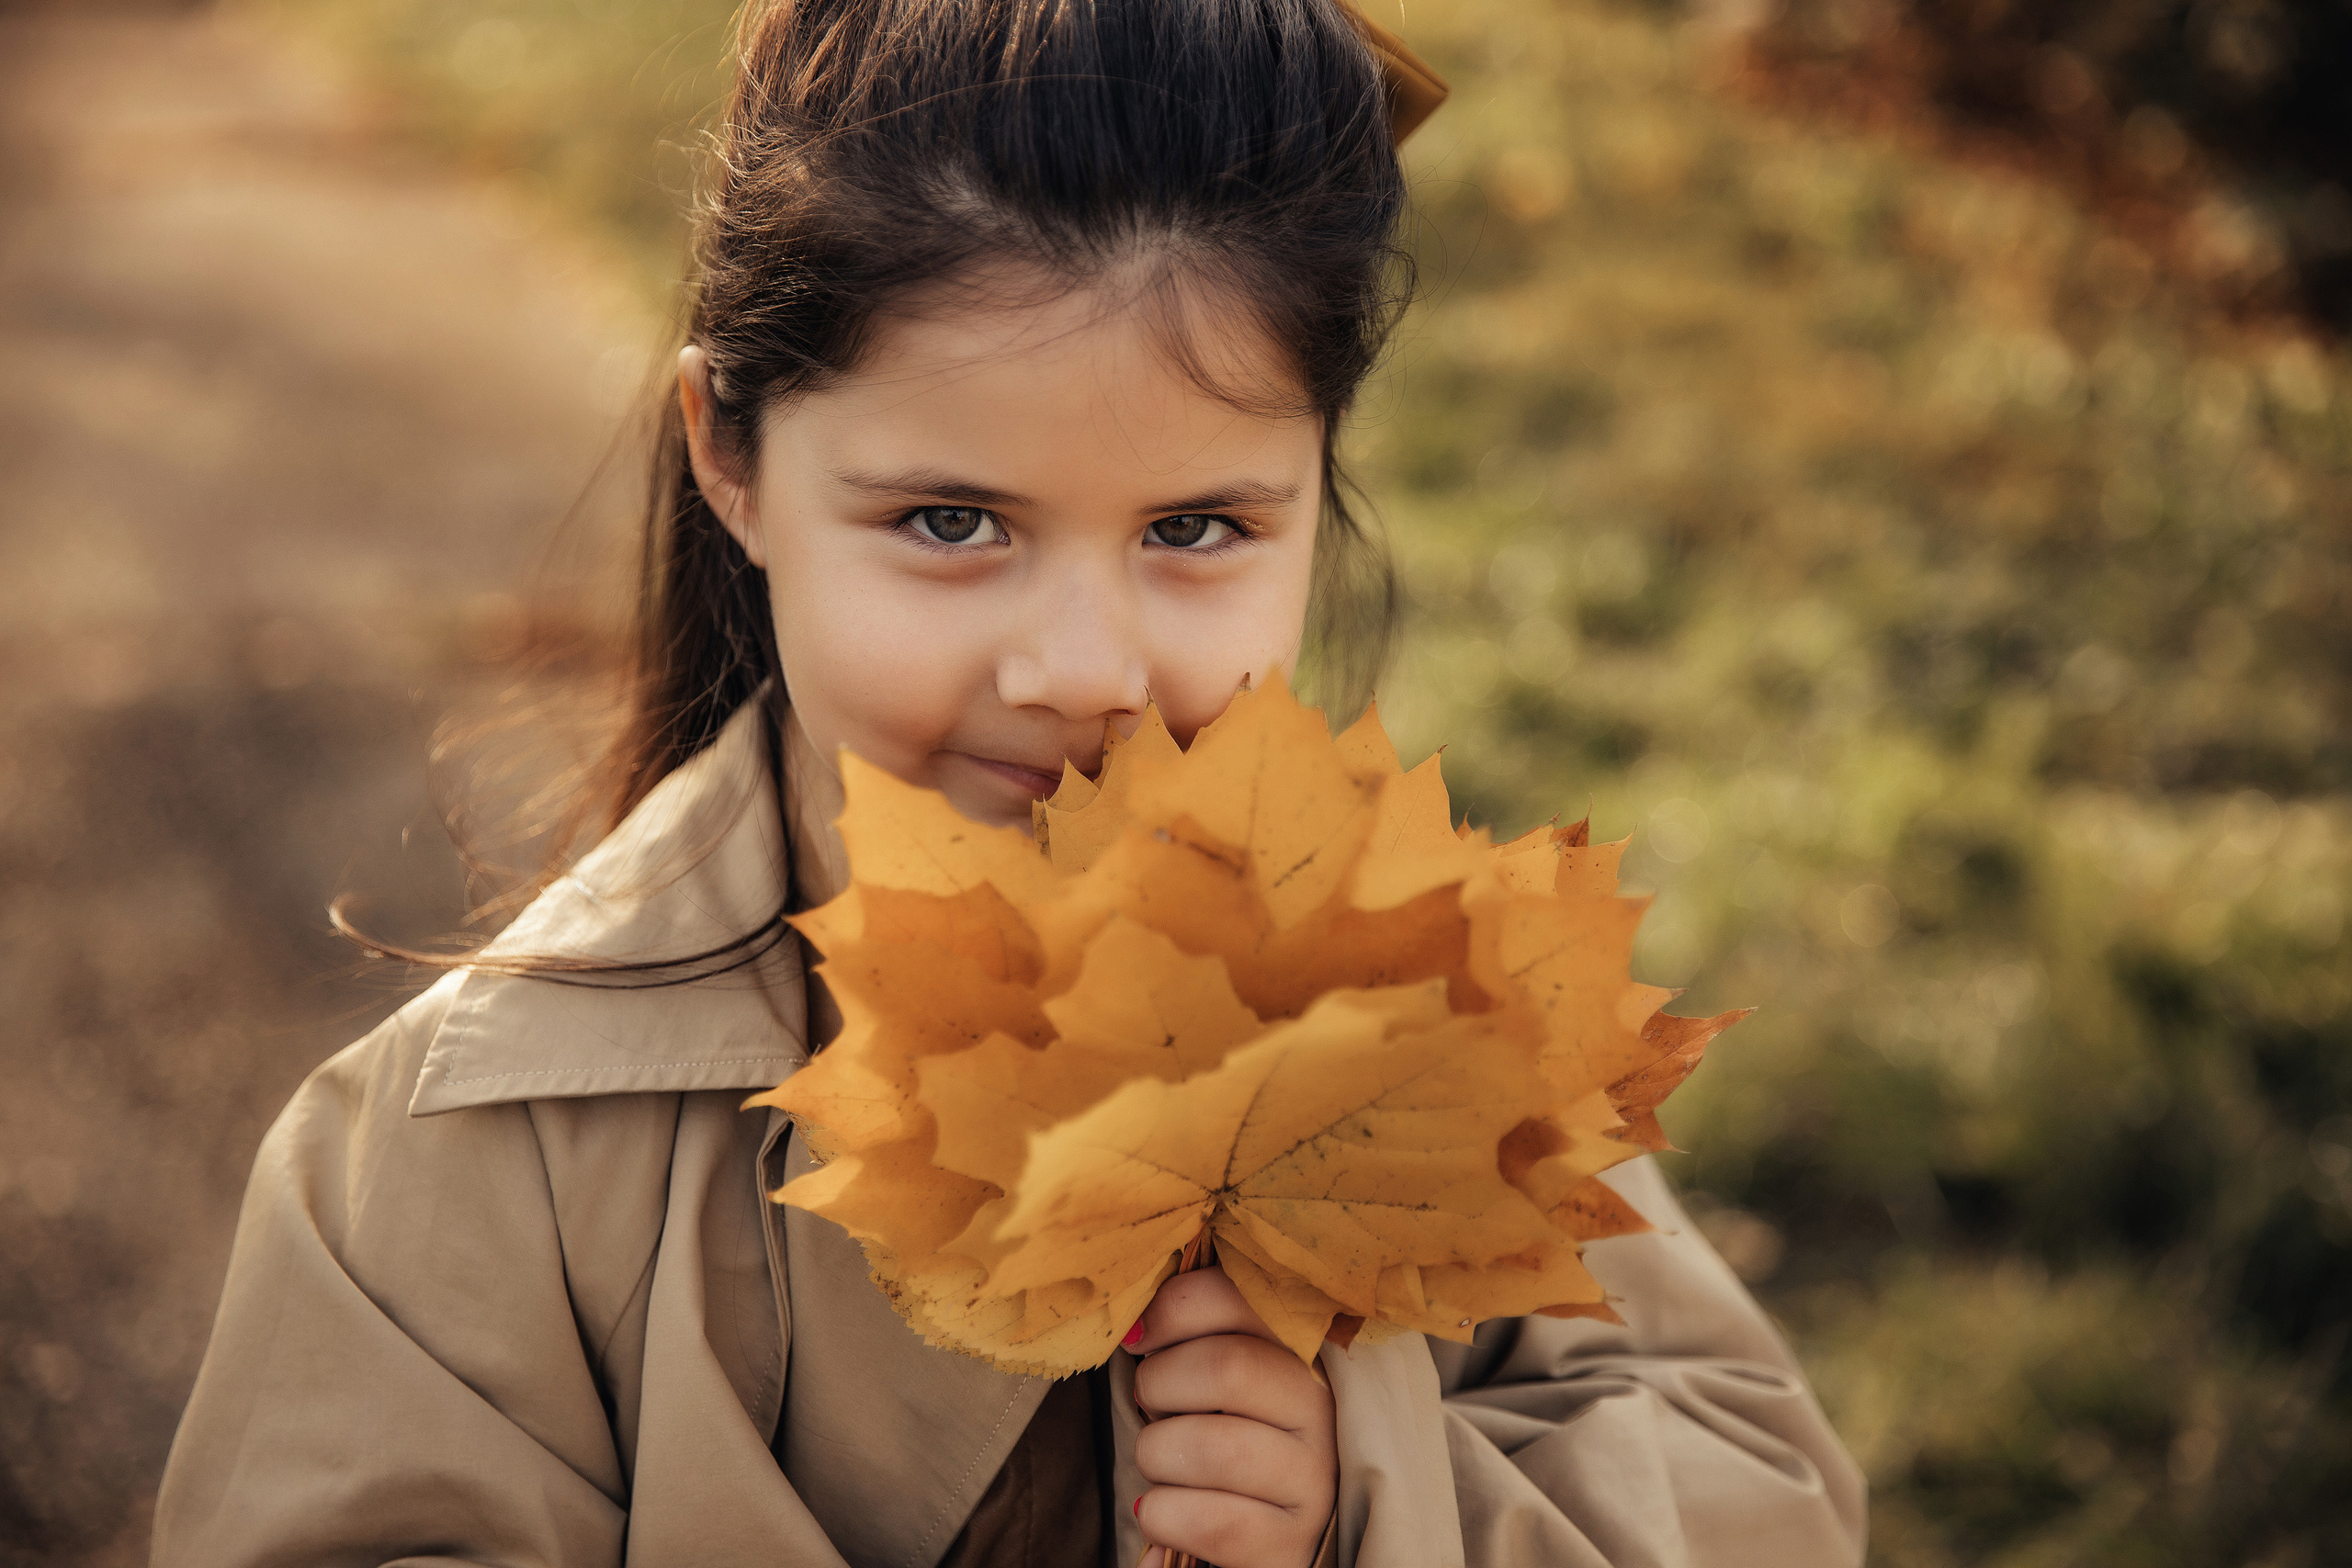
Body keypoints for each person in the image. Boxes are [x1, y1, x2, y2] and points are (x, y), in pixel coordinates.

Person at [153, 1, 1866, 1563]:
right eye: (951, 523)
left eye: (1196, 530)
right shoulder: (468, 1155)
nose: (1085, 672)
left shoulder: (1402, 1006)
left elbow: (1761, 1490)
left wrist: (1373, 1490)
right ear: (730, 460)